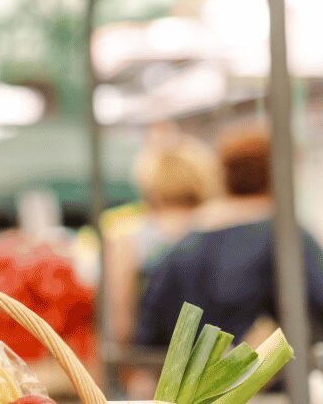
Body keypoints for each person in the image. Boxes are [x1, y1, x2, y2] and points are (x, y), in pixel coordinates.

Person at [133, 124, 323, 348]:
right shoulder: (285, 236)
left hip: (186, 381)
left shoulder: (184, 241)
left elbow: (149, 330)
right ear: (279, 173)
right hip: (267, 382)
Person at [102, 127, 221, 348]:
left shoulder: (131, 240)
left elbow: (121, 325)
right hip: (216, 362)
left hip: (156, 365)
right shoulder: (217, 232)